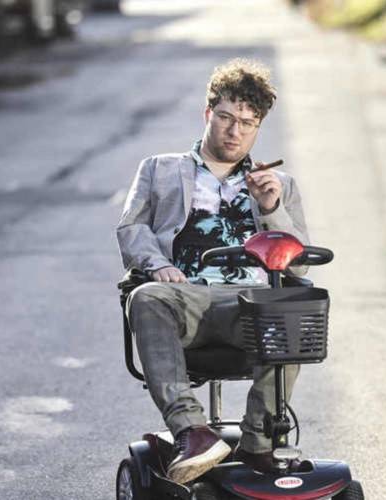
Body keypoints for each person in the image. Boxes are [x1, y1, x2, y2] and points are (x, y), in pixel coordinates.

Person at [116, 59, 310, 485]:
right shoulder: (159, 169)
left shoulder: (280, 184)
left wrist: (271, 209)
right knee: (145, 296)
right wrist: (159, 265)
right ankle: (193, 432)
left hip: (251, 307)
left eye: (247, 122)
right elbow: (131, 228)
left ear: (258, 127)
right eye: (225, 117)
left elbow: (298, 262)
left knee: (293, 307)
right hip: (185, 297)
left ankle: (259, 440)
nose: (234, 131)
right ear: (208, 113)